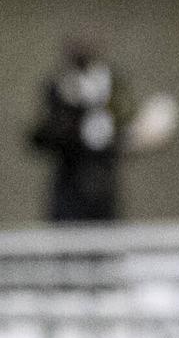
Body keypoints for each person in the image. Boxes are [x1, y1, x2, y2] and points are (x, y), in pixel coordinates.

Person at [26, 39, 129, 223]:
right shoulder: (58, 89)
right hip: (68, 189)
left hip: (101, 188)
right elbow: (39, 137)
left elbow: (122, 127)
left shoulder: (110, 88)